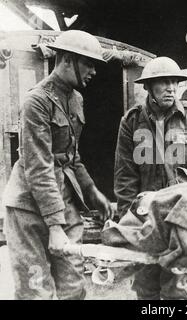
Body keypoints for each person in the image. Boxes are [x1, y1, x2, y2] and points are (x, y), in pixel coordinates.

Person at [2, 30, 114, 300]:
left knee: (73, 288)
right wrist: (54, 227)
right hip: (28, 208)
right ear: (66, 60)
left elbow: (71, 157)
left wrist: (92, 193)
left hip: (64, 203)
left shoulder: (76, 99)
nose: (93, 72)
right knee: (36, 290)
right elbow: (39, 166)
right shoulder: (36, 102)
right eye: (88, 63)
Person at [114, 56, 187, 300]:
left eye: (175, 82)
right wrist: (129, 220)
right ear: (149, 87)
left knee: (179, 290)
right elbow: (125, 176)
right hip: (147, 219)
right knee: (146, 288)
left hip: (183, 218)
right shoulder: (131, 121)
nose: (171, 88)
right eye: (163, 82)